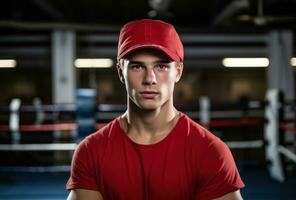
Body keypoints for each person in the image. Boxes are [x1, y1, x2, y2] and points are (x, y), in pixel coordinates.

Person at [66, 19, 245, 200]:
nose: (149, 79)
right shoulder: (91, 151)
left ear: (178, 71)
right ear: (121, 71)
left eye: (161, 66)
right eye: (137, 66)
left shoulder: (210, 151)